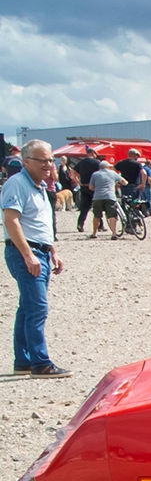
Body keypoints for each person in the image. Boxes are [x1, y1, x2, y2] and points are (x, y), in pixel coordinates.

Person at [2, 139, 69, 377]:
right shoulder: (17, 184)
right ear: (27, 161)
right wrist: (28, 255)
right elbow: (11, 220)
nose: (49, 164)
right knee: (38, 308)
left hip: (39, 251)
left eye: (51, 159)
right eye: (43, 160)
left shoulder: (40, 186)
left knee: (28, 307)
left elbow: (39, 223)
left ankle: (23, 360)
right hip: (26, 252)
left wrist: (52, 250)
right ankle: (40, 363)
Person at [88, 157, 125, 239]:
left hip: (97, 197)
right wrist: (125, 183)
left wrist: (98, 189)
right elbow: (123, 181)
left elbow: (90, 187)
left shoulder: (95, 174)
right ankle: (114, 234)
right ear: (107, 167)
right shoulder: (112, 173)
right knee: (112, 215)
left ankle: (94, 233)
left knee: (97, 215)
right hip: (110, 196)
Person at [72, 147, 101, 233]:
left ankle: (80, 224)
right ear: (92, 153)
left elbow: (73, 172)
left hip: (84, 186)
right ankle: (100, 225)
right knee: (97, 206)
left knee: (84, 207)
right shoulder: (97, 163)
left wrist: (78, 182)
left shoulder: (81, 163)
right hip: (94, 187)